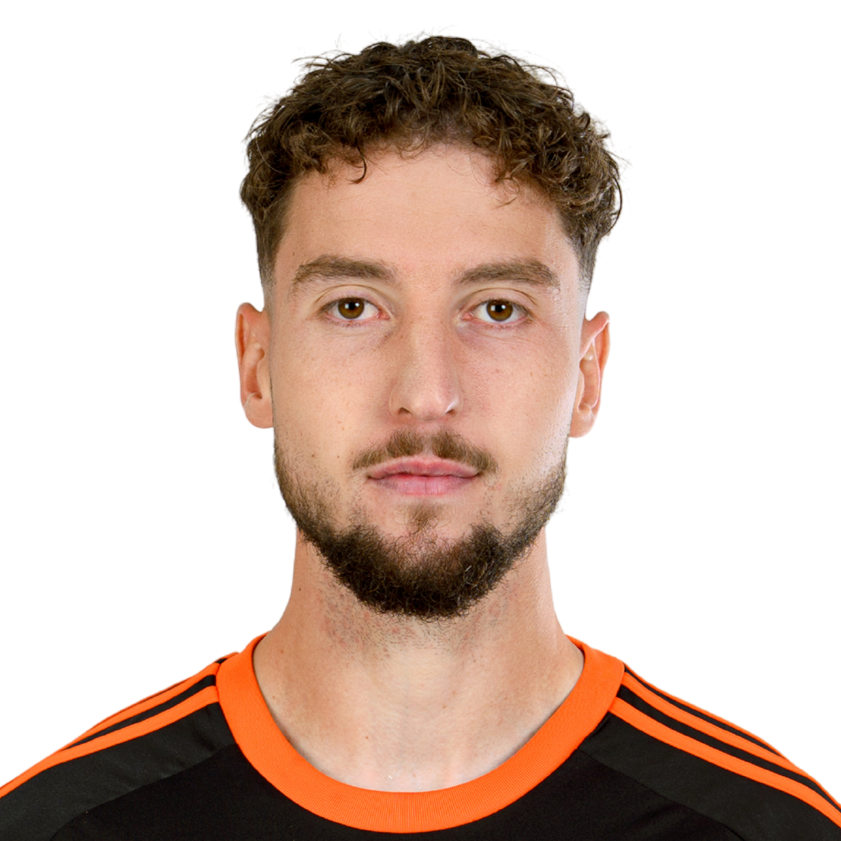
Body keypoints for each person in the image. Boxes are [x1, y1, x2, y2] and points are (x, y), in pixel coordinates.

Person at [2, 28, 838, 840]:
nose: (426, 395)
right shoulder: (55, 824)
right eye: (352, 306)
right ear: (255, 367)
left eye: (498, 309)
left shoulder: (768, 827)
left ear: (588, 377)